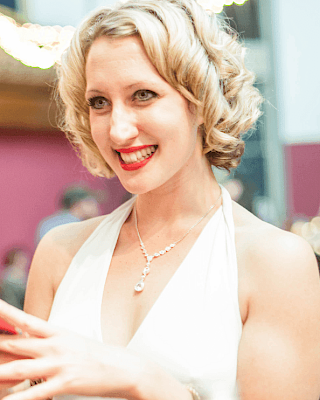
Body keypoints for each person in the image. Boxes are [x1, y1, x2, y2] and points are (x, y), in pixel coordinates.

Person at [0, 0, 319, 399]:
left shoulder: (275, 262)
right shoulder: (61, 253)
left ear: (200, 100)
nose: (117, 130)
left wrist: (146, 382)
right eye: (99, 102)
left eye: (143, 95)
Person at [35, 185, 101, 243]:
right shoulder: (78, 226)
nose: (96, 207)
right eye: (91, 202)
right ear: (78, 204)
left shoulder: (47, 223)